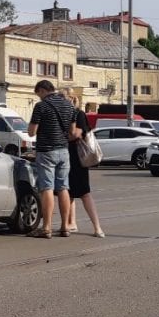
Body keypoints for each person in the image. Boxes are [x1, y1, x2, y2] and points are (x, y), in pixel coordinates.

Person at [27, 79, 75, 238]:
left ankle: (46, 227)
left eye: (38, 94)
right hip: (64, 151)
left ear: (42, 90)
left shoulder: (41, 106)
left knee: (46, 187)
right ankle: (65, 227)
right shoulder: (69, 105)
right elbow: (72, 132)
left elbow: (31, 132)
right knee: (63, 187)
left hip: (46, 151)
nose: (39, 97)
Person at [67, 104, 105, 238]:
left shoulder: (79, 114)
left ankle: (97, 227)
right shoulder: (66, 113)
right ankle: (71, 223)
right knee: (67, 193)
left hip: (78, 159)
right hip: (68, 157)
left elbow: (76, 134)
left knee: (84, 193)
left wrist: (58, 135)